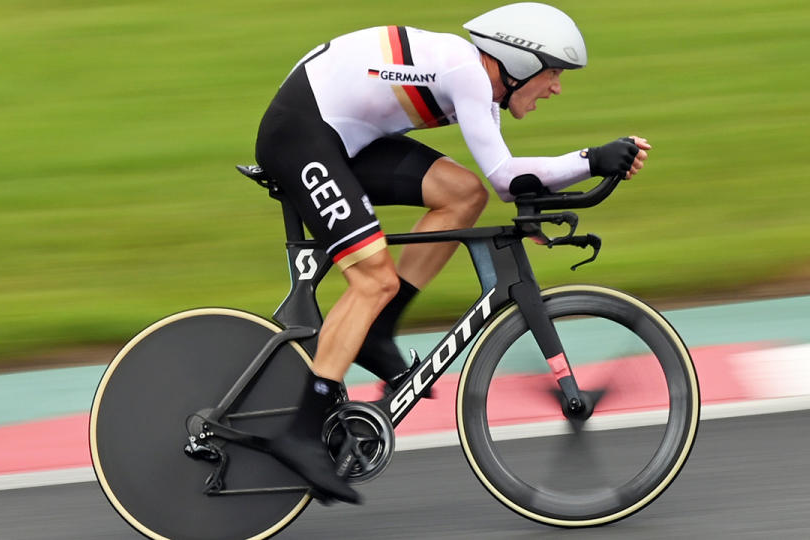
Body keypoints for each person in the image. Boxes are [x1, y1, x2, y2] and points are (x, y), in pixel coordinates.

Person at [254, 2, 651, 504]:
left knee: (463, 194)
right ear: (519, 63)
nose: (556, 87)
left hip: (343, 136)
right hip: (302, 134)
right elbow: (509, 176)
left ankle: (378, 329)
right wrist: (591, 159)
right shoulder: (468, 72)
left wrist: (565, 186)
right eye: (552, 73)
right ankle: (299, 433)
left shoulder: (477, 87)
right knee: (372, 278)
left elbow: (501, 184)